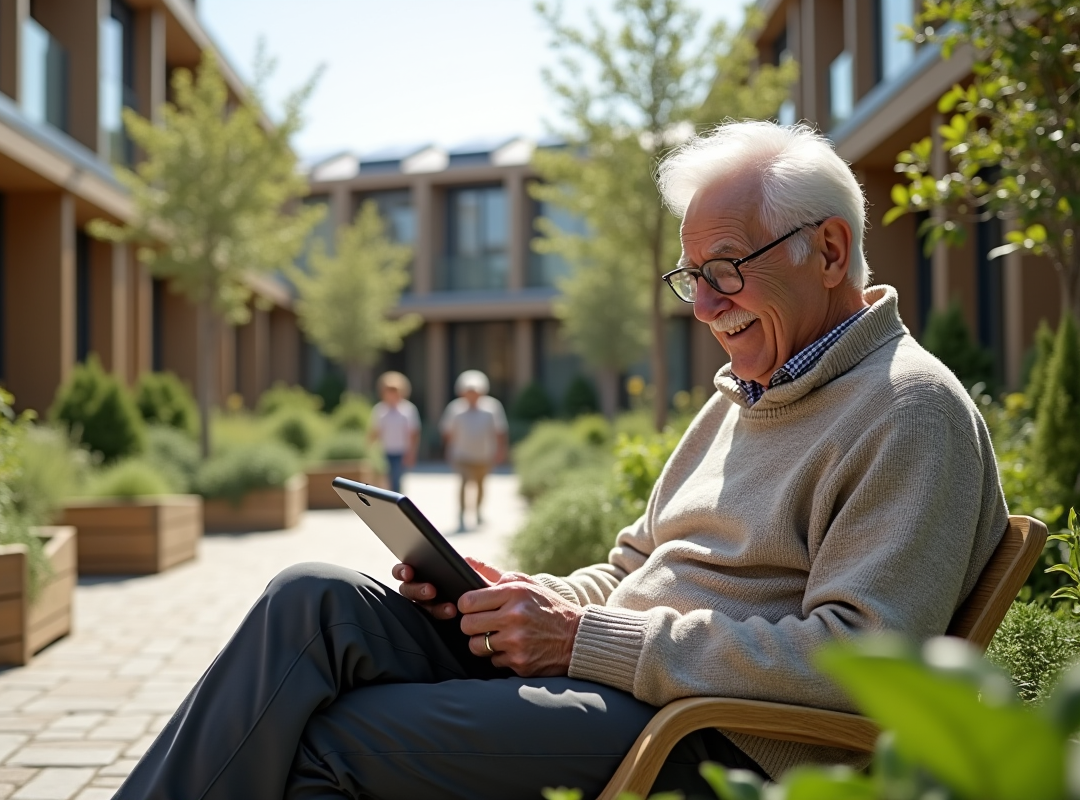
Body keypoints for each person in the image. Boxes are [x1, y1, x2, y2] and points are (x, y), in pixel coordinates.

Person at [112, 122, 1008, 800]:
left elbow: (860, 665)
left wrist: (587, 640)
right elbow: (630, 567)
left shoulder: (908, 409)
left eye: (725, 270)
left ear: (830, 250)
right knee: (311, 599)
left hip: (703, 734)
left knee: (329, 739)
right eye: (690, 275)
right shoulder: (743, 397)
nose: (702, 305)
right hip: (615, 681)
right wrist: (528, 598)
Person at [439, 369, 508, 531]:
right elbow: (447, 431)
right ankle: (462, 515)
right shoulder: (455, 409)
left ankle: (478, 512)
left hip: (484, 455)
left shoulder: (492, 407)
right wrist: (449, 449)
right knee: (463, 485)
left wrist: (500, 450)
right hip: (462, 454)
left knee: (481, 486)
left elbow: (500, 431)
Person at [368, 371, 420, 494]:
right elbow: (375, 431)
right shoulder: (380, 410)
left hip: (401, 451)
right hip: (385, 450)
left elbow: (413, 433)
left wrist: (412, 452)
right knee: (384, 481)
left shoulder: (408, 410)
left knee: (396, 480)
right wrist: (369, 449)